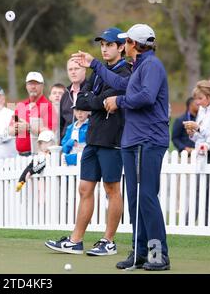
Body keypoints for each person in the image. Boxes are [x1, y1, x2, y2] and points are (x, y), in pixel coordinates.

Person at [73, 23, 171, 270]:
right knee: (136, 199)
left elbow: (146, 97)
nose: (123, 44)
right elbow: (121, 81)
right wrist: (94, 64)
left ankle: (159, 256)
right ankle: (140, 253)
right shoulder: (140, 66)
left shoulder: (151, 65)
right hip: (134, 141)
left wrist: (119, 101)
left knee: (147, 197)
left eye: (126, 41)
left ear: (134, 45)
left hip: (148, 140)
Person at [46, 27, 131, 257]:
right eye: (102, 44)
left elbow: (101, 100)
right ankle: (76, 241)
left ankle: (108, 241)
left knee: (111, 188)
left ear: (121, 47)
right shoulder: (97, 73)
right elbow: (83, 101)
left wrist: (94, 99)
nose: (104, 48)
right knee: (84, 188)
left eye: (110, 44)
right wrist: (95, 99)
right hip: (93, 137)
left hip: (112, 138)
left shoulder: (126, 72)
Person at [10, 72, 57, 156]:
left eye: (36, 84)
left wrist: (29, 128)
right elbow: (10, 131)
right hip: (19, 156)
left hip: (38, 155)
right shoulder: (21, 105)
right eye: (30, 83)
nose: (33, 87)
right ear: (26, 86)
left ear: (42, 86)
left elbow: (50, 133)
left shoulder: (48, 106)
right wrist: (16, 128)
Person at [183, 81, 210, 149]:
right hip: (200, 152)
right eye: (195, 99)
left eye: (200, 98)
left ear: (209, 96)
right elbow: (199, 138)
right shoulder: (202, 109)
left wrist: (198, 128)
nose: (197, 102)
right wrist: (192, 133)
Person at [59, 58, 86, 142]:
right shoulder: (65, 94)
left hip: (86, 145)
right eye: (70, 69)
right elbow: (61, 123)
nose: (73, 72)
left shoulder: (92, 91)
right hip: (66, 145)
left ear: (84, 70)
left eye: (76, 69)